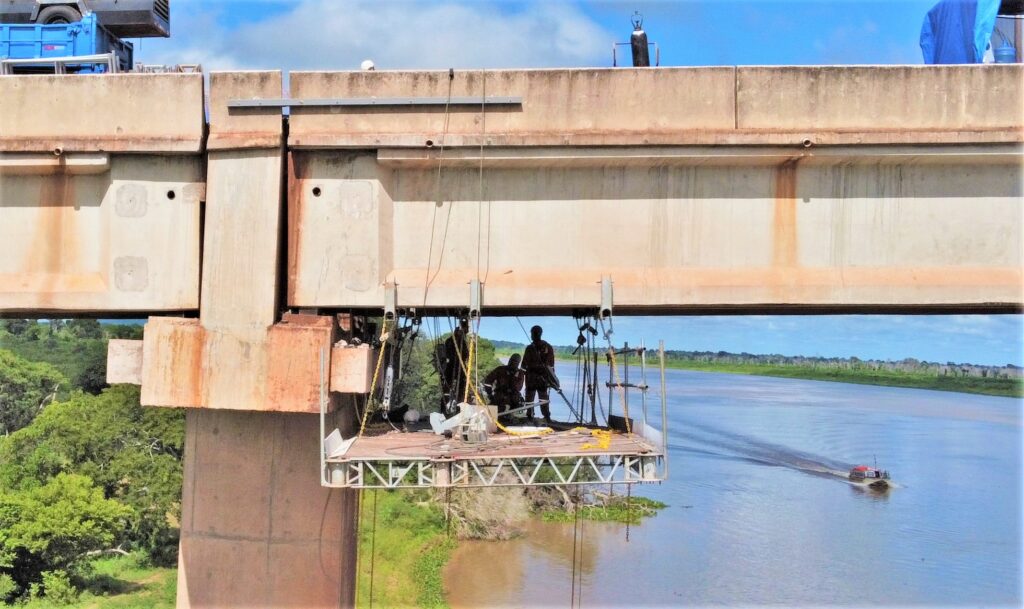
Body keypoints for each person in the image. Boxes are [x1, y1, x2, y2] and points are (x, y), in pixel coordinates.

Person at [522, 325, 557, 424]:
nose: (532, 336)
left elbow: (524, 365)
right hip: (539, 379)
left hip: (536, 379)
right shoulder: (547, 347)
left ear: (534, 334)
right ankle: (542, 417)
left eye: (532, 333)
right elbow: (551, 365)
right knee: (537, 399)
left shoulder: (531, 348)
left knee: (538, 399)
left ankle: (536, 417)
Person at [437, 320, 469, 411]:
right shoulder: (452, 341)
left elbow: (465, 355)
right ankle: (445, 409)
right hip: (452, 366)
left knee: (462, 388)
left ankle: (459, 407)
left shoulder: (463, 341)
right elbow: (452, 354)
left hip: (460, 366)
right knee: (447, 388)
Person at [483, 354, 525, 421]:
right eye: (512, 360)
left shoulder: (520, 373)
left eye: (515, 361)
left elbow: (518, 388)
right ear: (509, 360)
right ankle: (501, 416)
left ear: (518, 363)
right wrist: (490, 394)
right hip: (499, 396)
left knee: (518, 406)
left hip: (513, 399)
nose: (512, 362)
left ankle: (510, 416)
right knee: (492, 411)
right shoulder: (500, 369)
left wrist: (513, 375)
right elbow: (488, 381)